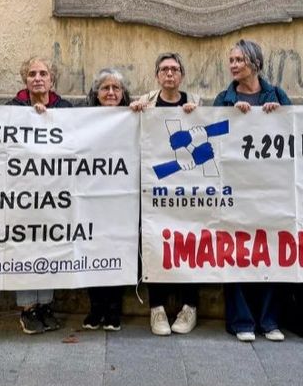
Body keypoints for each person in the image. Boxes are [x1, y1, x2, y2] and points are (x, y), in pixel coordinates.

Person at [213, 39, 289, 342]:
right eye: (231, 60)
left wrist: (279, 113)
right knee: (236, 251)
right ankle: (241, 320)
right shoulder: (224, 98)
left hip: (271, 187)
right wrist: (230, 113)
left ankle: (269, 321)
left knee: (273, 251)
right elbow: (212, 135)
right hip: (236, 188)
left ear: (254, 63)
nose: (233, 65)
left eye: (239, 60)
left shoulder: (276, 94)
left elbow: (294, 133)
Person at [132, 53, 202, 335]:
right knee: (154, 242)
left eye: (175, 69)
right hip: (154, 190)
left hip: (189, 190)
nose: (169, 74)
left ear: (181, 75)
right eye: (164, 69)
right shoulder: (146, 102)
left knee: (191, 243)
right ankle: (157, 308)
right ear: (157, 75)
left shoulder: (195, 102)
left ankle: (190, 307)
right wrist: (133, 111)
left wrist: (197, 113)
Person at [10, 56, 71, 334]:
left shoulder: (66, 109)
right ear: (25, 79)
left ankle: (45, 305)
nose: (37, 78)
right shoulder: (12, 109)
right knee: (25, 246)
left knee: (49, 245)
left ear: (51, 79)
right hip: (22, 192)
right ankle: (27, 308)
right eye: (32, 73)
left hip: (54, 192)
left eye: (43, 73)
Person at [79, 68, 135, 332]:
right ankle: (95, 308)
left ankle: (114, 310)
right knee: (92, 248)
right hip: (91, 196)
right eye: (105, 88)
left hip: (122, 197)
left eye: (116, 89)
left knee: (117, 249)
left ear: (123, 94)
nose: (111, 93)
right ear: (96, 93)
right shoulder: (81, 119)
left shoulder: (134, 117)